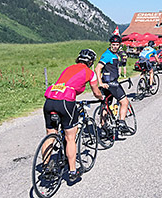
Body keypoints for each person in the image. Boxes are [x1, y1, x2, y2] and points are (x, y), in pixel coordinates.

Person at [43, 49, 103, 181]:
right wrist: (101, 99)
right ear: (91, 62)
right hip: (65, 102)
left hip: (50, 99)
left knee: (50, 135)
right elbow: (96, 92)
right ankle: (72, 171)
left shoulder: (68, 68)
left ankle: (46, 167)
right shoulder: (90, 73)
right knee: (70, 137)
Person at [95, 35, 131, 133]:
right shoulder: (107, 55)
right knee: (124, 102)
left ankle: (103, 128)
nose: (115, 46)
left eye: (117, 45)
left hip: (107, 84)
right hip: (112, 83)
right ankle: (122, 123)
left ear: (119, 45)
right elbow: (98, 68)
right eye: (113, 45)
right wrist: (100, 82)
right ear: (110, 45)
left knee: (106, 104)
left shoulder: (113, 55)